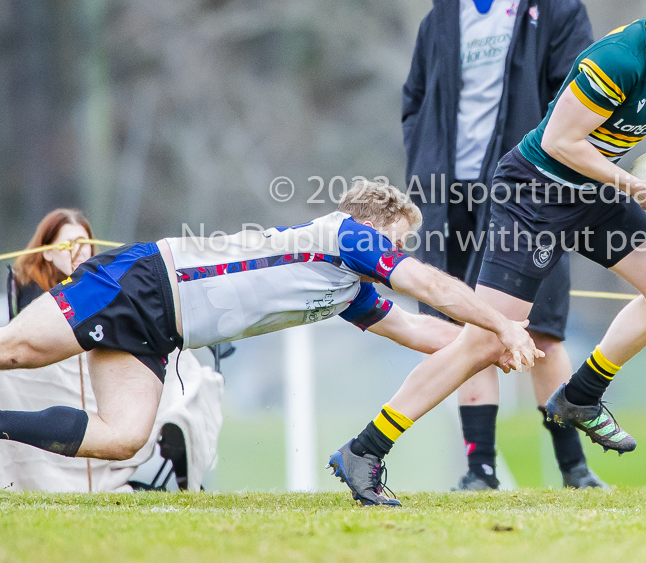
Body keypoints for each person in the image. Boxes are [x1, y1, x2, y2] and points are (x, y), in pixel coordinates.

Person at [331, 0, 646, 506]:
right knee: (485, 340)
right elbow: (561, 143)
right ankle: (364, 450)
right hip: (533, 193)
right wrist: (634, 186)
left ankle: (581, 395)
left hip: (590, 188)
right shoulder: (618, 59)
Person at [0, 179, 540, 505]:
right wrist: (502, 323)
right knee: (14, 352)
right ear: (371, 228)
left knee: (122, 438)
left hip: (161, 329)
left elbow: (417, 328)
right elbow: (429, 285)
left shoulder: (347, 287)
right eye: (397, 242)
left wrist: (485, 346)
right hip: (145, 281)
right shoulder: (346, 236)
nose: (398, 253)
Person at [402, 0, 602, 490]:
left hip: (529, 196)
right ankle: (478, 470)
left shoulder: (554, 4)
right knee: (466, 329)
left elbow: (581, 98)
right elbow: (414, 102)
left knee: (540, 329)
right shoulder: (441, 17)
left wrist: (555, 173)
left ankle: (574, 469)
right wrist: (424, 166)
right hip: (450, 198)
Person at [1, 209, 223, 492]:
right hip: (52, 389)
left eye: (85, 243)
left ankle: (179, 430)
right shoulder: (29, 295)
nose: (79, 251)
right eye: (69, 244)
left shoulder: (100, 281)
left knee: (190, 372)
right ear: (47, 252)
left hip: (108, 379)